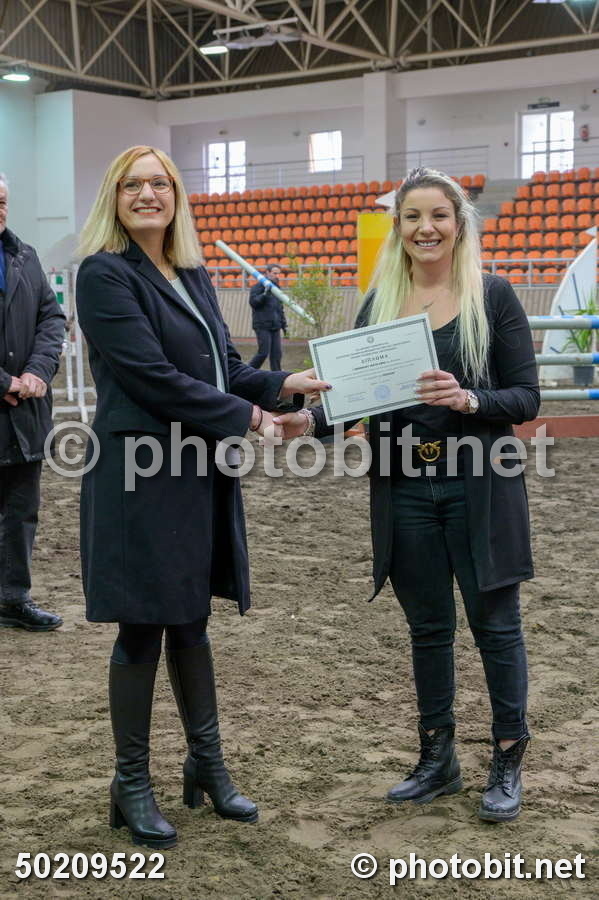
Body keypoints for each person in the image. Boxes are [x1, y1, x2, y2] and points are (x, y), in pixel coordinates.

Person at [76, 146, 329, 850]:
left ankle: (206, 765)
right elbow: (152, 376)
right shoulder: (103, 273)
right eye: (132, 184)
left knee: (190, 618)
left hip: (195, 467)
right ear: (114, 197)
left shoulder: (189, 271)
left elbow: (222, 366)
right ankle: (131, 783)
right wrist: (249, 417)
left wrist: (282, 385)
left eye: (159, 183)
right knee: (142, 625)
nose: (147, 194)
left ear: (177, 195)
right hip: (138, 476)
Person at [275, 167, 540, 823]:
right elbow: (352, 400)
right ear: (398, 228)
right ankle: (436, 759)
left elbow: (525, 397)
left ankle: (507, 757)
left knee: (495, 627)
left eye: (438, 216)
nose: (426, 228)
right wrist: (305, 420)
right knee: (428, 628)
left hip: (479, 484)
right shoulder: (379, 303)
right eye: (413, 217)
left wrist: (468, 398)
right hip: (403, 488)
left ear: (458, 224)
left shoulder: (493, 296)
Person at [0, 173, 65, 632]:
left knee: (21, 512)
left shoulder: (25, 255)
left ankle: (12, 598)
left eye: (2, 200)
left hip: (25, 410)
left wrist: (37, 372)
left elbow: (51, 317)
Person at [248, 263, 287, 370]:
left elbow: (279, 308)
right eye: (275, 273)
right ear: (267, 273)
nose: (277, 276)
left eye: (278, 274)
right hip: (262, 325)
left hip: (275, 325)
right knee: (263, 353)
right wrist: (264, 295)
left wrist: (284, 324)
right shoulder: (257, 287)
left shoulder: (277, 288)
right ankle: (248, 371)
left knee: (277, 354)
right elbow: (253, 303)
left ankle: (277, 374)